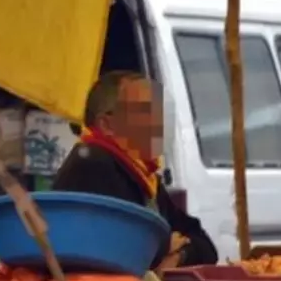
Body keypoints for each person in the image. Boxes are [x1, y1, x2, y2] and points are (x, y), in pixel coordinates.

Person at [53, 71, 217, 269]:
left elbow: (205, 246)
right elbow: (122, 248)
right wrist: (164, 247)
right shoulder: (91, 164)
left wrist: (178, 256)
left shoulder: (143, 174)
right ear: (107, 125)